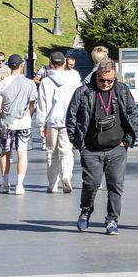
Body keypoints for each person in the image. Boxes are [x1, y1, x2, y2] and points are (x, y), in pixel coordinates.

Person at [66, 59, 138, 235]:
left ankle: (112, 220)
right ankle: (85, 212)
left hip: (117, 148)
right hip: (91, 148)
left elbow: (132, 113)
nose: (106, 84)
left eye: (110, 81)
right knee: (91, 184)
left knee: (115, 185)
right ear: (96, 76)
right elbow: (71, 117)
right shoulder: (83, 92)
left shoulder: (121, 91)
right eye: (102, 80)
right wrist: (78, 143)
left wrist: (127, 140)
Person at [36, 50, 82, 193]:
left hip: (51, 120)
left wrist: (41, 123)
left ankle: (52, 183)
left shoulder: (46, 82)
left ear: (51, 63)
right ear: (64, 63)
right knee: (67, 151)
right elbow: (79, 100)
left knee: (51, 152)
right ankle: (67, 176)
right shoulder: (74, 79)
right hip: (68, 120)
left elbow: (42, 104)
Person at [0, 54, 37, 194]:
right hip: (23, 122)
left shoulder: (2, 83)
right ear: (22, 65)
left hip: (6, 123)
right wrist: (29, 115)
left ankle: (5, 183)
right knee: (22, 153)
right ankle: (19, 185)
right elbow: (32, 105)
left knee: (5, 153)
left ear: (8, 66)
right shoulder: (30, 83)